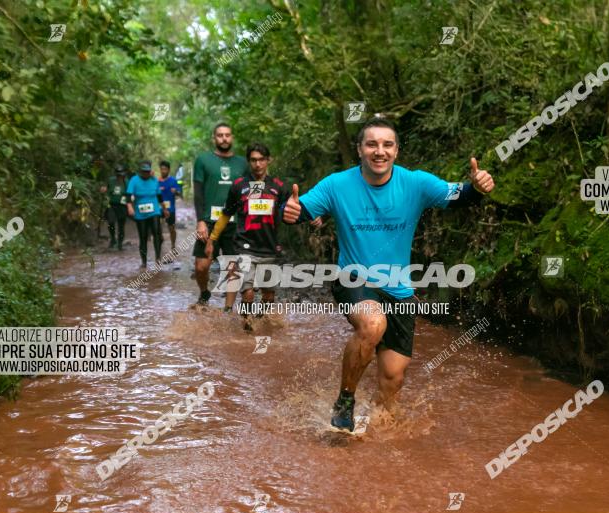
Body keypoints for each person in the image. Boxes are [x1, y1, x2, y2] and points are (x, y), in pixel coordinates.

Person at [282, 118, 495, 432]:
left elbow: (459, 195)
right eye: (371, 144)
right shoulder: (336, 184)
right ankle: (345, 400)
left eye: (387, 144)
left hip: (399, 290)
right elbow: (302, 210)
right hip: (353, 279)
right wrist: (291, 212)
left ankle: (369, 445)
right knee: (373, 324)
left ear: (396, 150)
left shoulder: (416, 183)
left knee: (392, 382)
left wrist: (476, 189)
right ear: (359, 150)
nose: (379, 151)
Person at [206, 142, 322, 329]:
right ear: (248, 162)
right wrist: (212, 239)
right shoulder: (238, 186)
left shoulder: (279, 187)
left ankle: (262, 321)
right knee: (248, 292)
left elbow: (294, 208)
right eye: (253, 160)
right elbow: (226, 214)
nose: (257, 164)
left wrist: (311, 217)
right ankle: (246, 325)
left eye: (261, 160)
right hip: (244, 247)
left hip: (269, 247)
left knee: (268, 294)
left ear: (269, 160)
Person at [192, 123, 248, 305]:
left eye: (227, 135)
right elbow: (198, 193)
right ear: (214, 138)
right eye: (220, 135)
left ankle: (228, 307)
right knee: (201, 266)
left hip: (235, 222)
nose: (224, 138)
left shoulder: (243, 163)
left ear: (232, 137)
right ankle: (204, 292)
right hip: (209, 221)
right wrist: (200, 221)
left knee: (233, 266)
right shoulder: (203, 160)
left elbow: (251, 191)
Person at [126, 160, 163, 268]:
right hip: (140, 213)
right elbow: (128, 195)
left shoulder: (154, 180)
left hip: (154, 210)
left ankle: (158, 258)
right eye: (144, 172)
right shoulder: (134, 180)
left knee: (156, 233)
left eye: (147, 171)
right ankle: (144, 261)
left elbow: (159, 196)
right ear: (140, 172)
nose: (146, 174)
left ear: (150, 171)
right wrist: (129, 206)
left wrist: (164, 209)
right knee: (143, 236)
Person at [157, 160, 182, 258]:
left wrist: (176, 191)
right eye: (162, 169)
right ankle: (159, 244)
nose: (163, 171)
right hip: (159, 209)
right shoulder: (157, 181)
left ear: (168, 170)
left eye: (165, 169)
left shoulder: (173, 181)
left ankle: (173, 246)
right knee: (157, 228)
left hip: (170, 208)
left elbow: (179, 193)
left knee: (171, 228)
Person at [100, 164, 129, 250]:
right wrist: (103, 190)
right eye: (118, 174)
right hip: (112, 204)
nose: (120, 176)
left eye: (121, 174)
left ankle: (120, 243)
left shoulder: (126, 182)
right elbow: (106, 188)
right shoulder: (111, 180)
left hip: (122, 206)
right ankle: (113, 239)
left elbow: (129, 193)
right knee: (111, 222)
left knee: (121, 225)